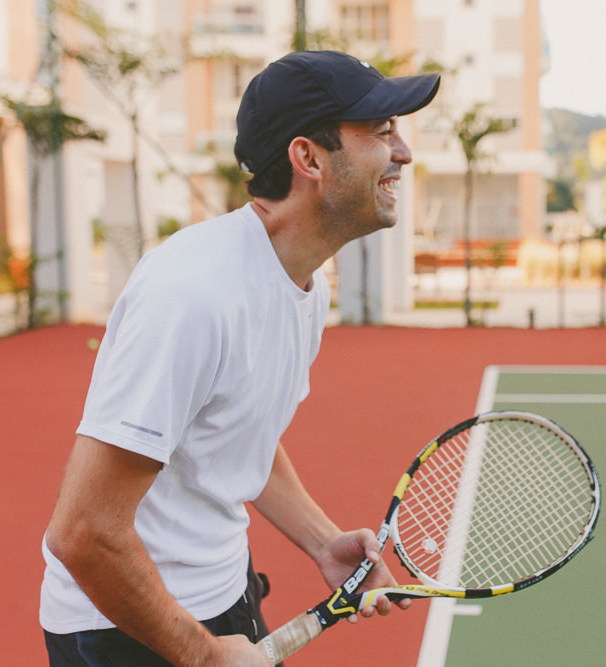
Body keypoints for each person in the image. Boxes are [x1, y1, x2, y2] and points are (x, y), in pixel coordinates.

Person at [39, 50, 440, 666]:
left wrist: (322, 540)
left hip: (221, 594)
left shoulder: (306, 285)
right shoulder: (191, 294)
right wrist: (200, 654)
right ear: (308, 158)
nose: (404, 152)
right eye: (382, 132)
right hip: (121, 626)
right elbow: (84, 532)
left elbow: (239, 431)